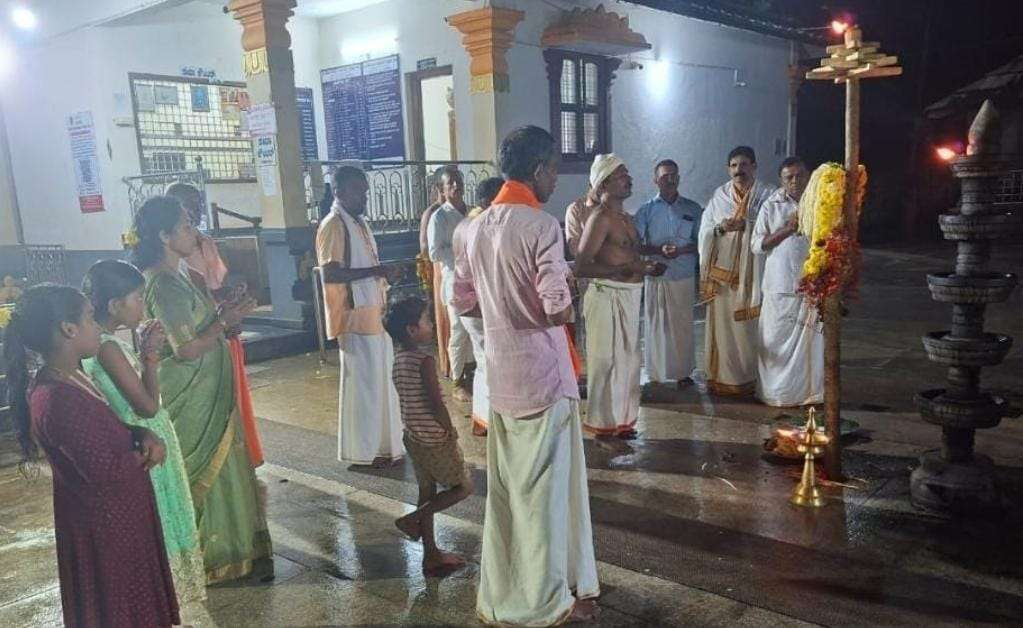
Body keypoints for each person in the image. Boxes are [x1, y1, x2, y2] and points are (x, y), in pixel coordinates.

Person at [453, 125, 599, 625]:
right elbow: (557, 309)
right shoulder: (541, 226)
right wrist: (569, 288)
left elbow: (462, 300)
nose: (555, 179)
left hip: (502, 378)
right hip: (544, 376)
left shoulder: (473, 228)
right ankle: (545, 599)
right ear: (537, 170)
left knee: (511, 495)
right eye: (554, 169)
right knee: (548, 497)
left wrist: (503, 310)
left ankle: (504, 592)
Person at [3, 284, 180, 627]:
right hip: (107, 530)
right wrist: (151, 451)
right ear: (68, 329)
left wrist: (137, 432)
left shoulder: (71, 376)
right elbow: (105, 471)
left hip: (120, 520)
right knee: (121, 609)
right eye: (89, 318)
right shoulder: (56, 398)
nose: (97, 325)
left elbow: (103, 431)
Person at [136, 195, 273, 583]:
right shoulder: (163, 284)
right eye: (184, 227)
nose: (193, 233)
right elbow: (186, 348)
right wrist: (223, 321)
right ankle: (212, 557)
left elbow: (201, 329)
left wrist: (226, 314)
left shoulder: (180, 275)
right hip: (191, 395)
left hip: (210, 389)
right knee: (205, 472)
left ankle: (236, 549)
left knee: (228, 466)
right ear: (163, 236)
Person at [81, 260, 207, 605]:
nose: (143, 305)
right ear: (114, 305)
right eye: (137, 298)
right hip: (146, 439)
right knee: (161, 517)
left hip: (143, 436)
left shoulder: (102, 343)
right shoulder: (106, 346)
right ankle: (161, 596)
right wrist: (150, 356)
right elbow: (147, 406)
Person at [575, 154, 675, 445]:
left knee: (628, 362)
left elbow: (630, 252)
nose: (629, 179)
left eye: (627, 173)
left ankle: (621, 421)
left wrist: (650, 261)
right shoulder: (600, 218)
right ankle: (601, 423)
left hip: (630, 295)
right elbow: (581, 266)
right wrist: (623, 270)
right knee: (605, 362)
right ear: (604, 183)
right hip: (606, 295)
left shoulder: (627, 219)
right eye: (621, 175)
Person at [166, 182, 263, 468]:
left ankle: (239, 455)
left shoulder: (205, 242)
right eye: (187, 206)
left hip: (219, 325)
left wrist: (232, 298)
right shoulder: (167, 273)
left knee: (232, 393)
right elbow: (185, 344)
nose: (195, 211)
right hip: (202, 334)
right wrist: (221, 318)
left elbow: (215, 286)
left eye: (198, 203)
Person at [316, 166, 405, 467]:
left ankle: (384, 447)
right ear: (338, 191)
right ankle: (363, 453)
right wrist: (377, 271)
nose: (364, 197)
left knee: (381, 382)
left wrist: (383, 273)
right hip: (353, 317)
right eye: (357, 191)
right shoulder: (333, 224)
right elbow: (330, 273)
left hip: (373, 311)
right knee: (364, 387)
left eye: (365, 191)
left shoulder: (358, 223)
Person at [386, 297, 474, 574]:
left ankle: (431, 554)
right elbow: (436, 403)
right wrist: (450, 430)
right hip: (435, 438)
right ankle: (412, 518)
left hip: (413, 437)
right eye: (426, 320)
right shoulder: (424, 361)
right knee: (463, 488)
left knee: (427, 492)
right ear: (412, 330)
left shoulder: (399, 359)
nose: (432, 325)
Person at [697, 146, 775, 396]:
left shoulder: (768, 195)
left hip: (756, 276)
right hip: (723, 278)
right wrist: (720, 228)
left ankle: (755, 379)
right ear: (727, 169)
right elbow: (705, 231)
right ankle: (725, 379)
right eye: (733, 165)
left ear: (754, 166)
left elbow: (775, 229)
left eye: (743, 164)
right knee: (724, 329)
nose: (738, 170)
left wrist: (748, 225)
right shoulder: (719, 196)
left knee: (753, 330)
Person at [751, 157, 823, 406]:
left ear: (808, 175)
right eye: (788, 177)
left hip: (813, 286)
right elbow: (757, 245)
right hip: (779, 286)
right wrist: (788, 229)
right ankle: (775, 394)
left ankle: (809, 394)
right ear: (781, 181)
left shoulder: (821, 202)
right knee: (774, 340)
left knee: (811, 345)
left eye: (799, 175)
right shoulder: (771, 205)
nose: (795, 181)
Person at [634, 159, 703, 390]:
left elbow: (701, 243)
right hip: (657, 275)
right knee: (657, 325)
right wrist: (659, 250)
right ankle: (656, 373)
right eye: (665, 176)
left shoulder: (693, 209)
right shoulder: (646, 210)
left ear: (679, 178)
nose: (670, 179)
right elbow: (636, 245)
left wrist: (680, 251)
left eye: (674, 175)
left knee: (683, 326)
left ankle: (683, 373)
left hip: (683, 275)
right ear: (656, 180)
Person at [453, 176, 505, 437]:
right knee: (494, 364)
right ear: (488, 200)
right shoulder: (483, 226)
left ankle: (482, 420)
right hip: (481, 303)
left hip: (466, 302)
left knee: (484, 362)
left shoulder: (464, 224)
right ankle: (491, 421)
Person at [427, 166, 473, 401]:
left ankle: (474, 374)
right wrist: (461, 254)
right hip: (455, 279)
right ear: (442, 189)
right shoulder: (439, 217)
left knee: (476, 327)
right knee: (458, 329)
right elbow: (434, 252)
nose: (456, 186)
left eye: (459, 181)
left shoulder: (472, 212)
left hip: (475, 279)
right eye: (451, 183)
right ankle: (458, 381)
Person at [416, 167, 450, 377]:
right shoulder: (432, 213)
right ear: (439, 187)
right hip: (437, 271)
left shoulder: (459, 209)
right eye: (450, 183)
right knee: (440, 317)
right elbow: (425, 248)